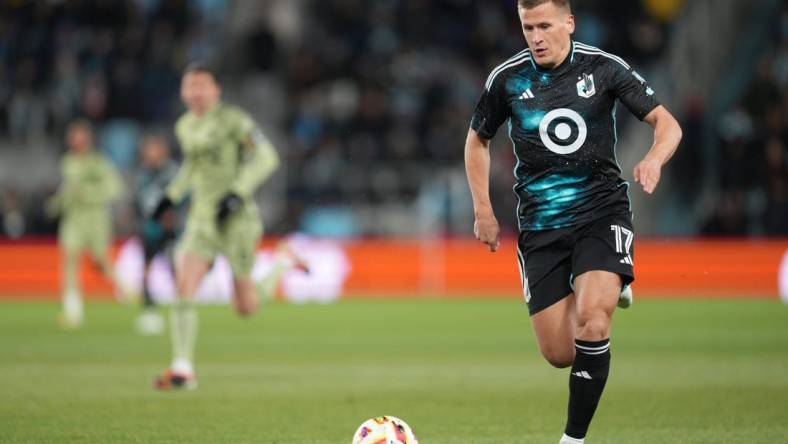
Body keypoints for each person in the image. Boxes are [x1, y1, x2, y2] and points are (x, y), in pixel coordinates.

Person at [464, 1, 682, 443]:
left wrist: (654, 160)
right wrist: (483, 210)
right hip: (541, 226)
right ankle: (610, 284)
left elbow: (667, 124)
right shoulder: (507, 80)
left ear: (569, 23)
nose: (536, 36)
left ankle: (573, 439)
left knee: (593, 322)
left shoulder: (604, 69)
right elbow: (477, 142)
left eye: (544, 25)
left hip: (601, 212)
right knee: (561, 353)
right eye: (528, 27)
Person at [151, 62, 281, 390]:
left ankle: (284, 263)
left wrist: (237, 193)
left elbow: (267, 157)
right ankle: (182, 368)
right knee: (183, 285)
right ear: (183, 91)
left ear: (216, 89)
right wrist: (171, 196)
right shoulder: (185, 126)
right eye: (189, 86)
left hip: (237, 221)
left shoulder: (234, 121)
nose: (195, 92)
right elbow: (192, 166)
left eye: (202, 85)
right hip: (201, 220)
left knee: (245, 307)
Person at [47, 120, 124, 329]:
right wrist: (55, 205)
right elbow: (67, 190)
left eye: (79, 136)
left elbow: (115, 188)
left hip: (96, 218)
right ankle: (73, 311)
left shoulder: (99, 162)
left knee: (101, 261)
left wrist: (89, 195)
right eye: (72, 136)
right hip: (73, 219)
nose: (75, 140)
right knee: (70, 259)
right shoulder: (67, 162)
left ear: (88, 138)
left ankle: (127, 290)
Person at [132, 134, 180, 335]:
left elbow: (182, 197)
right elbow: (138, 200)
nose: (150, 155)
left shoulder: (172, 173)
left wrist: (173, 218)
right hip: (149, 228)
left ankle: (181, 303)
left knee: (173, 265)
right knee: (146, 266)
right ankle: (147, 301)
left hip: (169, 229)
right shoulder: (143, 174)